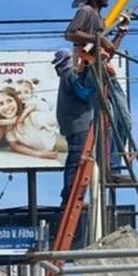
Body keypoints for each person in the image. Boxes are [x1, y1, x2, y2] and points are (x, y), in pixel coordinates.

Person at [64, 0, 131, 183]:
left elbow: (108, 50)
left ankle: (114, 164)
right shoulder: (86, 12)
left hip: (103, 68)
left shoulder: (99, 19)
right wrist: (97, 37)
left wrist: (120, 33)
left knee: (124, 118)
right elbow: (70, 33)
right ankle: (110, 167)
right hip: (91, 70)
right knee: (108, 119)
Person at [53, 49, 96, 202]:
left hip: (71, 124)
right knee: (76, 158)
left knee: (74, 157)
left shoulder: (67, 76)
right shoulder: (70, 75)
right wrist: (95, 89)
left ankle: (69, 191)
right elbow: (83, 94)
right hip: (78, 123)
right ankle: (70, 192)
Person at [0, 86, 61, 159]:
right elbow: (14, 146)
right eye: (1, 104)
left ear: (17, 101)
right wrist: (39, 154)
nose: (6, 106)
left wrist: (7, 121)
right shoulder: (9, 127)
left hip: (59, 142)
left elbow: (59, 120)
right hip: (46, 152)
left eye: (9, 101)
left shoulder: (33, 116)